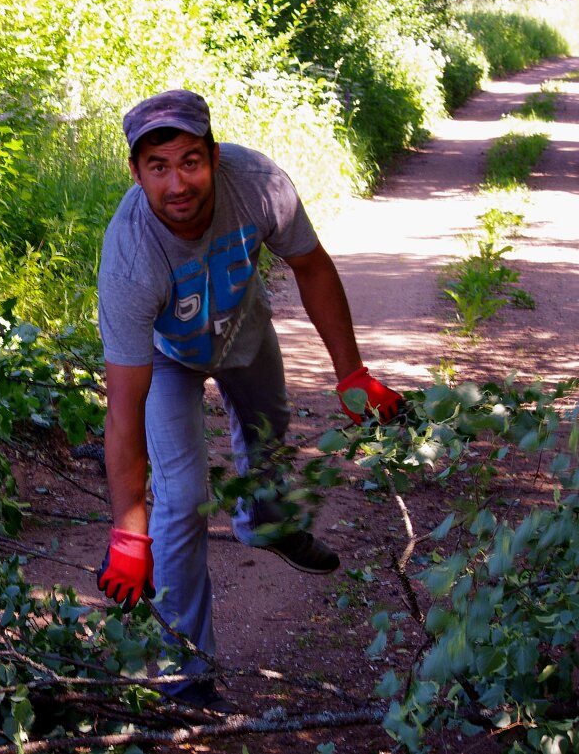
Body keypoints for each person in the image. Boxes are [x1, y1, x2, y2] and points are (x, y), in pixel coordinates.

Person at [94, 89, 402, 710]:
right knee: (180, 500)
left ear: (214, 156)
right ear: (136, 172)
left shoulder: (259, 184)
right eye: (158, 167)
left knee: (269, 432)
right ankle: (186, 670)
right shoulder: (130, 256)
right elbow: (124, 406)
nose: (177, 182)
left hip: (243, 326)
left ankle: (268, 525)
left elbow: (312, 267)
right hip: (168, 357)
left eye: (190, 161)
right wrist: (130, 531)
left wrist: (353, 373)